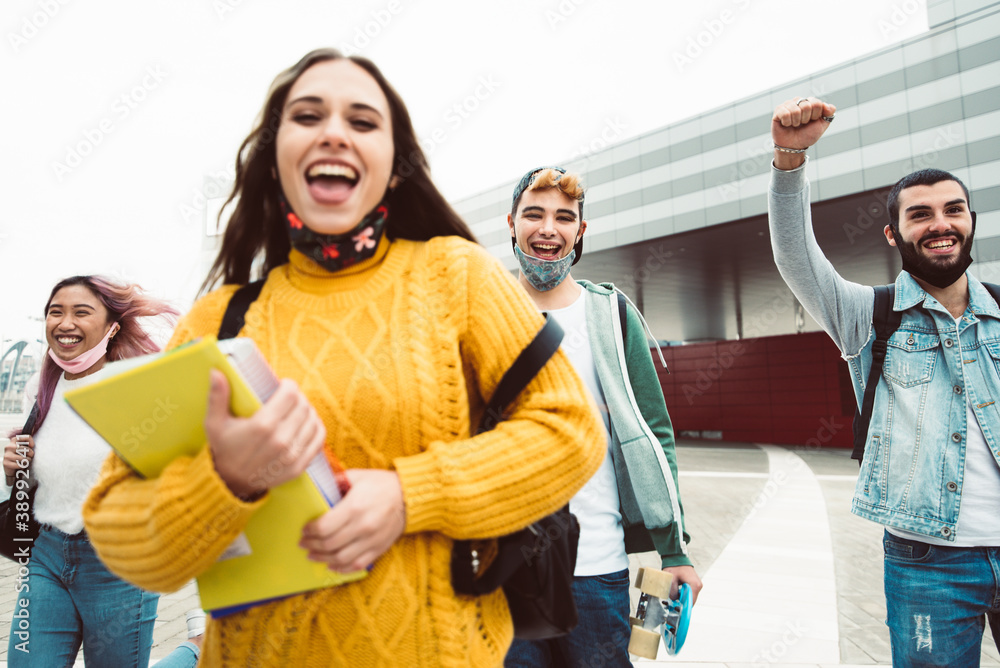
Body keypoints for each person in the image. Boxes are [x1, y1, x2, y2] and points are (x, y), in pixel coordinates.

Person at [82, 49, 605, 667]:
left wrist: (410, 494)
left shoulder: (456, 276)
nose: (334, 131)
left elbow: (571, 432)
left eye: (362, 121)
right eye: (308, 116)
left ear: (394, 163)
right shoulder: (219, 320)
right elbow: (120, 535)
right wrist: (225, 480)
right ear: (276, 158)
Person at [768, 96, 1000, 665]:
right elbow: (798, 258)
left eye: (954, 210)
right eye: (920, 214)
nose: (941, 224)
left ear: (970, 222)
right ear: (894, 235)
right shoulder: (870, 315)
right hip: (929, 563)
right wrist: (789, 160)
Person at [503, 166, 703, 667]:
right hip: (504, 569)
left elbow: (654, 432)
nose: (548, 227)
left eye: (563, 217)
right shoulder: (486, 310)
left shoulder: (610, 314)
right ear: (511, 223)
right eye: (534, 213)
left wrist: (673, 551)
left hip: (598, 566)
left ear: (580, 231)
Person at [1, 275, 203, 667]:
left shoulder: (139, 385)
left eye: (81, 312)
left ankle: (195, 649)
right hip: (47, 554)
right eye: (55, 312)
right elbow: (47, 479)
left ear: (112, 326)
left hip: (119, 561)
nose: (65, 322)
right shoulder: (39, 388)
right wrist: (15, 469)